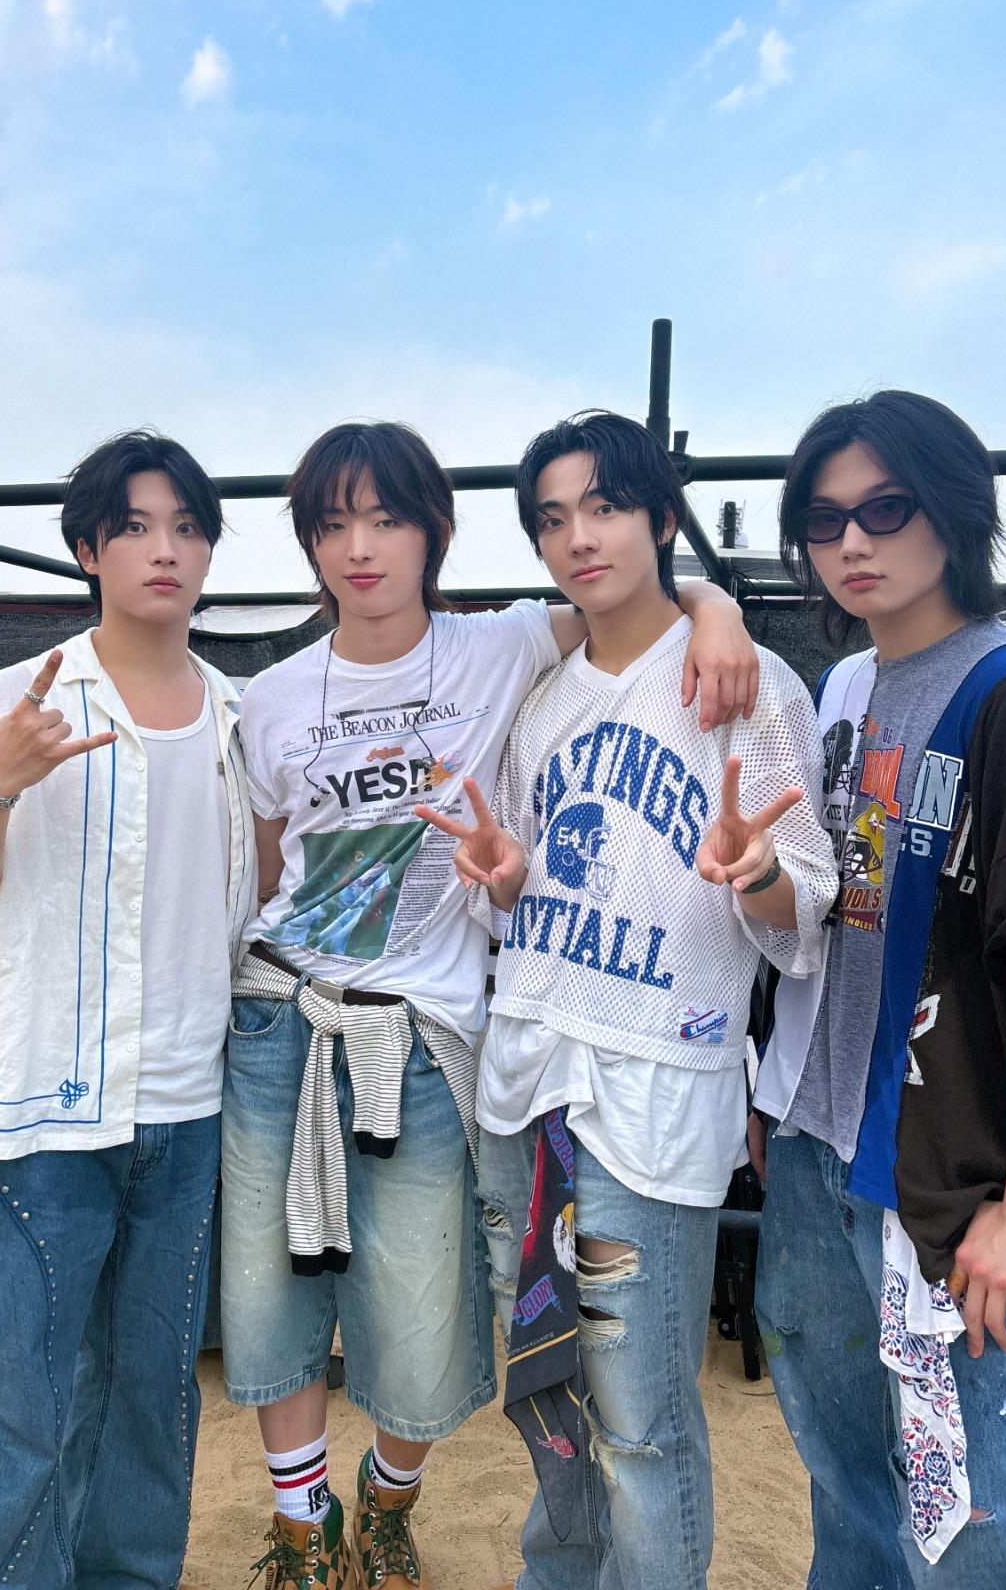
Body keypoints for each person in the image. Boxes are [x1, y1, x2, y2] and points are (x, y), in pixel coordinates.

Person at [218, 419, 761, 1590]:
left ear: (434, 532)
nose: (359, 548)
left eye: (385, 518)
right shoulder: (267, 697)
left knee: (422, 1304)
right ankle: (302, 1527)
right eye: (332, 524)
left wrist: (717, 606)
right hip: (282, 1018)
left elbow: (625, 598)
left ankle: (387, 1500)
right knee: (270, 1295)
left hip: (425, 1035)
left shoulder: (498, 644)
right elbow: (267, 871)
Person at [416, 410, 838, 1590]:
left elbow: (807, 901)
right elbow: (520, 887)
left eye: (602, 507)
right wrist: (504, 878)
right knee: (547, 1396)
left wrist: (756, 871)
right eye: (552, 518)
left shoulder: (742, 686)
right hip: (525, 1083)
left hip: (649, 1090)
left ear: (658, 515)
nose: (578, 537)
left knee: (641, 1422)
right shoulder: (540, 699)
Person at [0, 430, 256, 1588]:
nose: (165, 549)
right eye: (136, 527)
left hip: (182, 1112)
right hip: (29, 1125)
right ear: (89, 549)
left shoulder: (239, 718)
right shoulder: (10, 700)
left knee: (150, 1404)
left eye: (187, 527)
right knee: (18, 1420)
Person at [751, 390, 1006, 1587]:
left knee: (974, 1537)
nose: (851, 540)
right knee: (850, 1500)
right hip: (815, 1155)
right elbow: (834, 913)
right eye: (824, 517)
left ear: (951, 511)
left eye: (884, 508)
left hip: (946, 1186)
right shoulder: (841, 689)